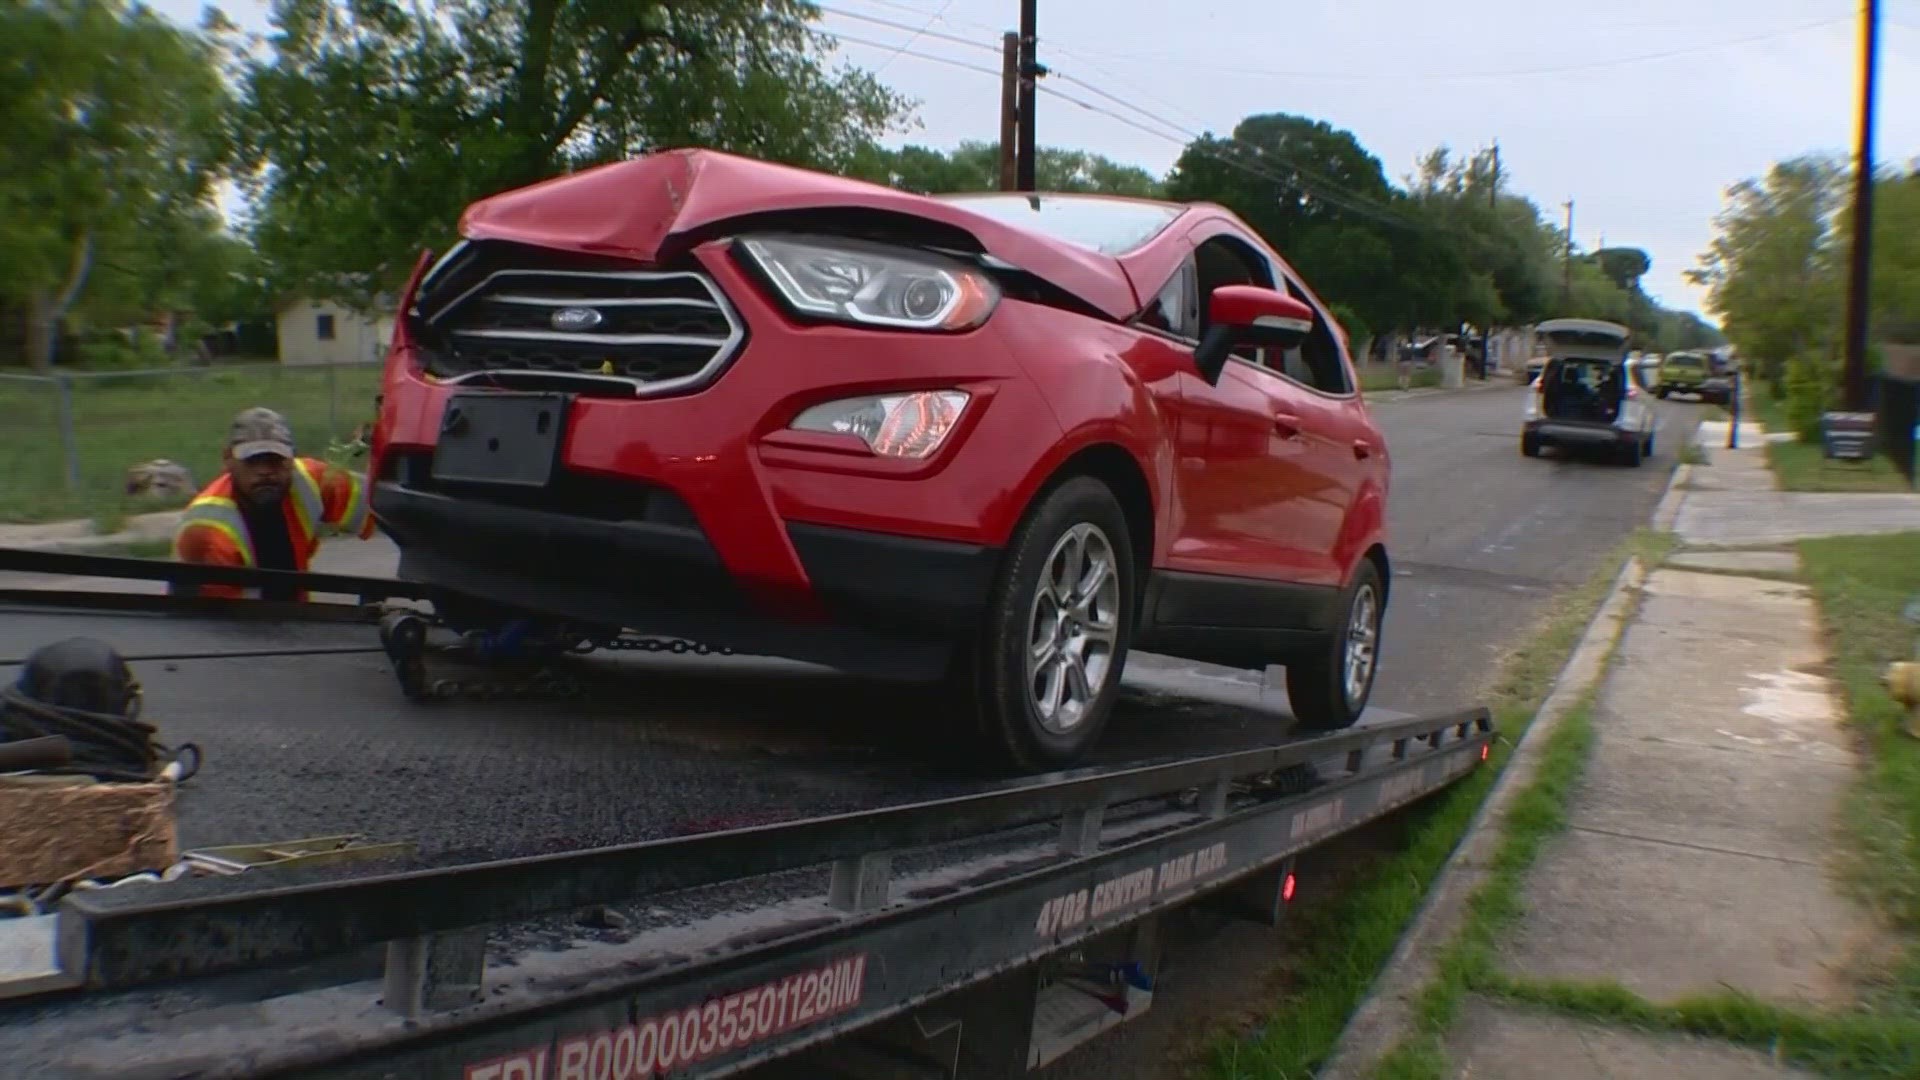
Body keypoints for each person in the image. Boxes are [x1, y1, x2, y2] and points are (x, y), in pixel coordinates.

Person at [171, 407, 375, 601]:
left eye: (275, 460)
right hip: (236, 628)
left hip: (294, 619)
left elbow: (382, 509)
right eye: (253, 461)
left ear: (292, 458)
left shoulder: (312, 480)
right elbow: (209, 622)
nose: (265, 471)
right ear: (228, 459)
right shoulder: (207, 529)